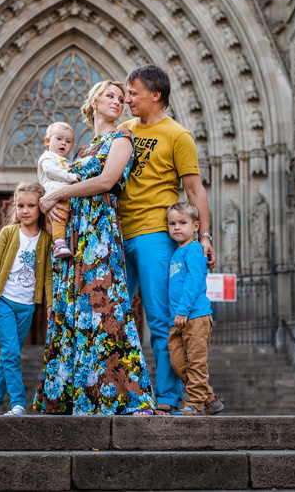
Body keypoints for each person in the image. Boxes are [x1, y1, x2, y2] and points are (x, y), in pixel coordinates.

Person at [34, 80, 155, 415]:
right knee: (75, 313)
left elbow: (106, 181)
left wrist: (56, 195)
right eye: (110, 96)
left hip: (99, 235)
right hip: (75, 235)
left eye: (122, 98)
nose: (118, 101)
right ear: (94, 102)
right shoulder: (83, 149)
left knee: (105, 310)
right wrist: (49, 208)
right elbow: (62, 187)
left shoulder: (122, 138)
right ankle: (77, 398)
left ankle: (132, 398)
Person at [119, 65, 215, 414]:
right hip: (117, 233)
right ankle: (119, 392)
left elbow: (194, 189)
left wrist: (203, 235)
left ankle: (167, 397)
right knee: (111, 317)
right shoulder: (124, 130)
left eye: (134, 93)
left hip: (154, 234)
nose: (127, 99)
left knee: (160, 320)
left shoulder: (178, 135)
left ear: (155, 95)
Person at [0, 182, 53, 417]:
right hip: (3, 301)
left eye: (31, 205)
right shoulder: (8, 232)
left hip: (26, 307)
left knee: (8, 354)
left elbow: (48, 275)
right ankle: (19, 404)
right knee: (11, 353)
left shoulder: (45, 238)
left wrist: (50, 304)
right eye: (20, 205)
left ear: (40, 207)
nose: (25, 210)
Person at [165, 202, 223, 417]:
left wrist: (183, 310)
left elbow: (194, 281)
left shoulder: (195, 250)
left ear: (196, 226)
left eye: (182, 223)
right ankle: (209, 399)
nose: (176, 228)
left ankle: (195, 405)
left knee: (196, 362)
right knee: (179, 362)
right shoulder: (176, 253)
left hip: (195, 316)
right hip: (177, 319)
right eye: (172, 223)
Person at [37, 121, 79, 259]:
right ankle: (59, 243)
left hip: (67, 195)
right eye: (59, 139)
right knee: (59, 216)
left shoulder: (66, 161)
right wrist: (71, 176)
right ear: (47, 141)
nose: (63, 143)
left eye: (68, 141)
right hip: (56, 194)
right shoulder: (47, 157)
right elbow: (51, 171)